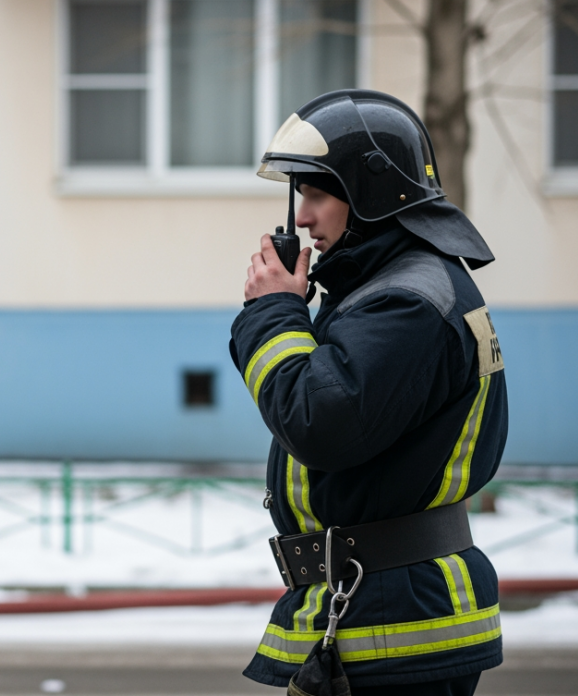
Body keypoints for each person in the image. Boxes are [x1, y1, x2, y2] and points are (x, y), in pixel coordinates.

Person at [231, 90, 507, 695]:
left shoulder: (404, 303)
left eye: (317, 193)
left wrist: (272, 314)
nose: (302, 217)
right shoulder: (389, 291)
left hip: (395, 620)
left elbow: (318, 423)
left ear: (371, 193)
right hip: (380, 605)